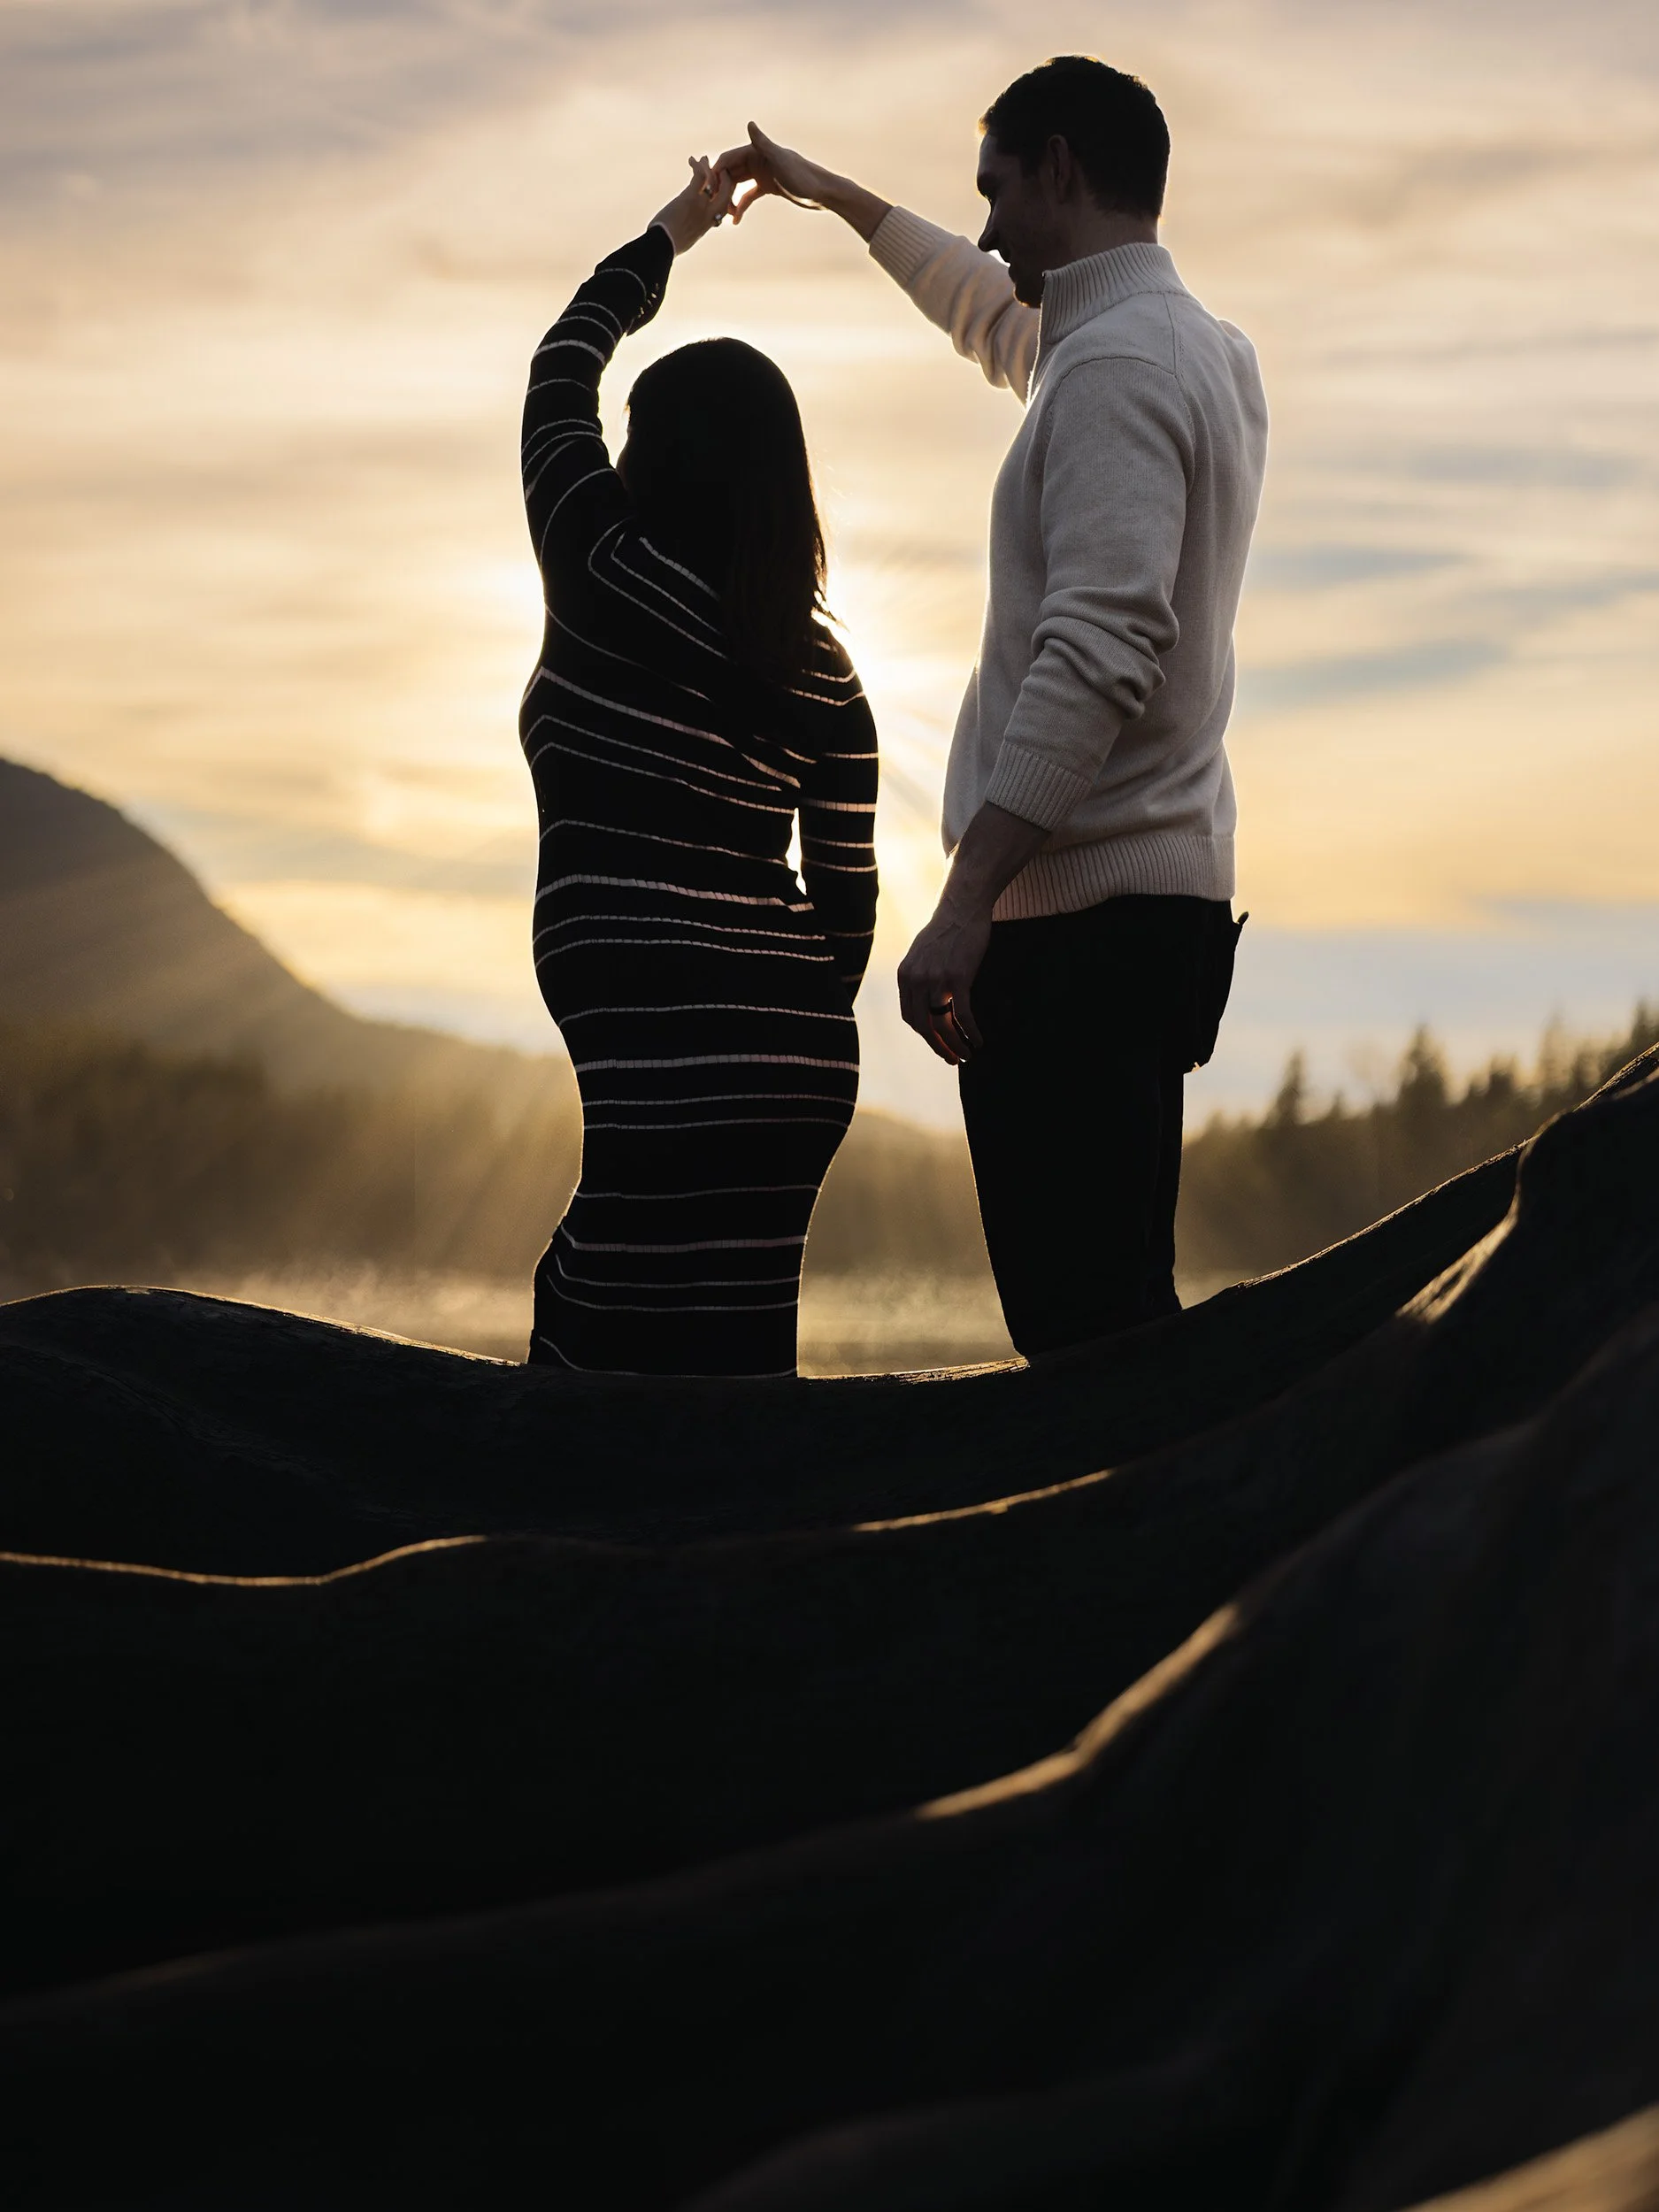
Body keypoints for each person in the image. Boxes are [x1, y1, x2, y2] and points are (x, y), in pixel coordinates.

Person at [719, 58, 1268, 1356]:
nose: (984, 229)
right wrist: (839, 199)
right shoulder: (1182, 348)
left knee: (1082, 1342)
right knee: (1117, 1317)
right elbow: (989, 310)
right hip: (1152, 916)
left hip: (1077, 928)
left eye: (998, 191)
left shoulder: (1112, 372)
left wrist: (966, 904)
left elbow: (1099, 650)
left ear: (1062, 169)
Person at [519, 158, 879, 1377]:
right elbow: (846, 912)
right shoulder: (829, 673)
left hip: (664, 1047)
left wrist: (676, 227)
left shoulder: (601, 566)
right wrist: (762, 1015)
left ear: (660, 453)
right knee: (733, 1374)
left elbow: (563, 361)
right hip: (786, 1060)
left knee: (598, 1362)